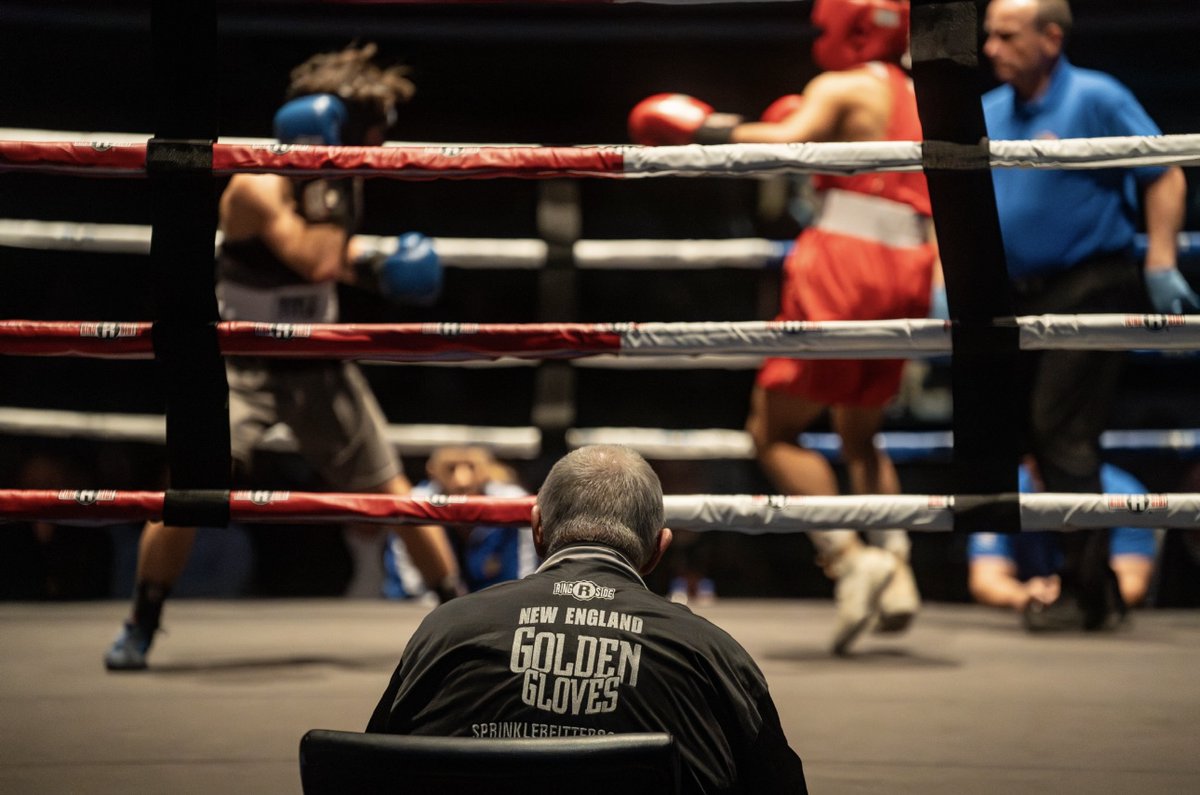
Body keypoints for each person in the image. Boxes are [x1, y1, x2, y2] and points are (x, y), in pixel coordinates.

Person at [104, 43, 464, 671]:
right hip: (238, 362)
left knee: (391, 491)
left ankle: (456, 617)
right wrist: (346, 230)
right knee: (192, 487)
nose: (378, 143)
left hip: (318, 358)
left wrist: (381, 272)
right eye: (370, 130)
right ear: (330, 125)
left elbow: (332, 262)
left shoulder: (341, 174)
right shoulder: (256, 186)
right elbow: (314, 257)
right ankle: (142, 620)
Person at [627, 0, 935, 655]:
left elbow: (788, 141)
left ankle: (852, 560)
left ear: (848, 24)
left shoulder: (844, 86)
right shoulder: (920, 90)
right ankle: (900, 566)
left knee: (773, 430)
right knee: (860, 432)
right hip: (911, 262)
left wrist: (704, 128)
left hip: (844, 259)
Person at [367, 444, 808, 794]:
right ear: (659, 548)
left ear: (537, 531)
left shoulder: (446, 630)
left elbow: (365, 770)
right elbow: (780, 785)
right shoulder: (713, 654)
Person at [982, 0, 1191, 629]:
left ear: (1051, 38)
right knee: (1029, 439)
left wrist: (1159, 262)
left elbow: (1164, 172)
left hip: (1092, 281)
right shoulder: (989, 111)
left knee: (1062, 430)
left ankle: (1088, 591)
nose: (991, 48)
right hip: (1010, 295)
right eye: (988, 35)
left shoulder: (1097, 96)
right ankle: (1090, 584)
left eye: (1006, 35)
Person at [968, 459, 1158, 629]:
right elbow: (985, 578)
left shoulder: (1124, 495)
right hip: (1027, 623)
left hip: (1099, 623)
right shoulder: (1003, 496)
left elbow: (1132, 582)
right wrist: (1023, 594)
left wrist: (1079, 594)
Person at [383, 445, 537, 598]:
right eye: (450, 468)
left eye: (471, 467)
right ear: (432, 470)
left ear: (486, 470)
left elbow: (524, 582)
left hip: (495, 610)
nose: (462, 481)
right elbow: (411, 589)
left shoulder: (513, 505)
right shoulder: (414, 506)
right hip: (421, 613)